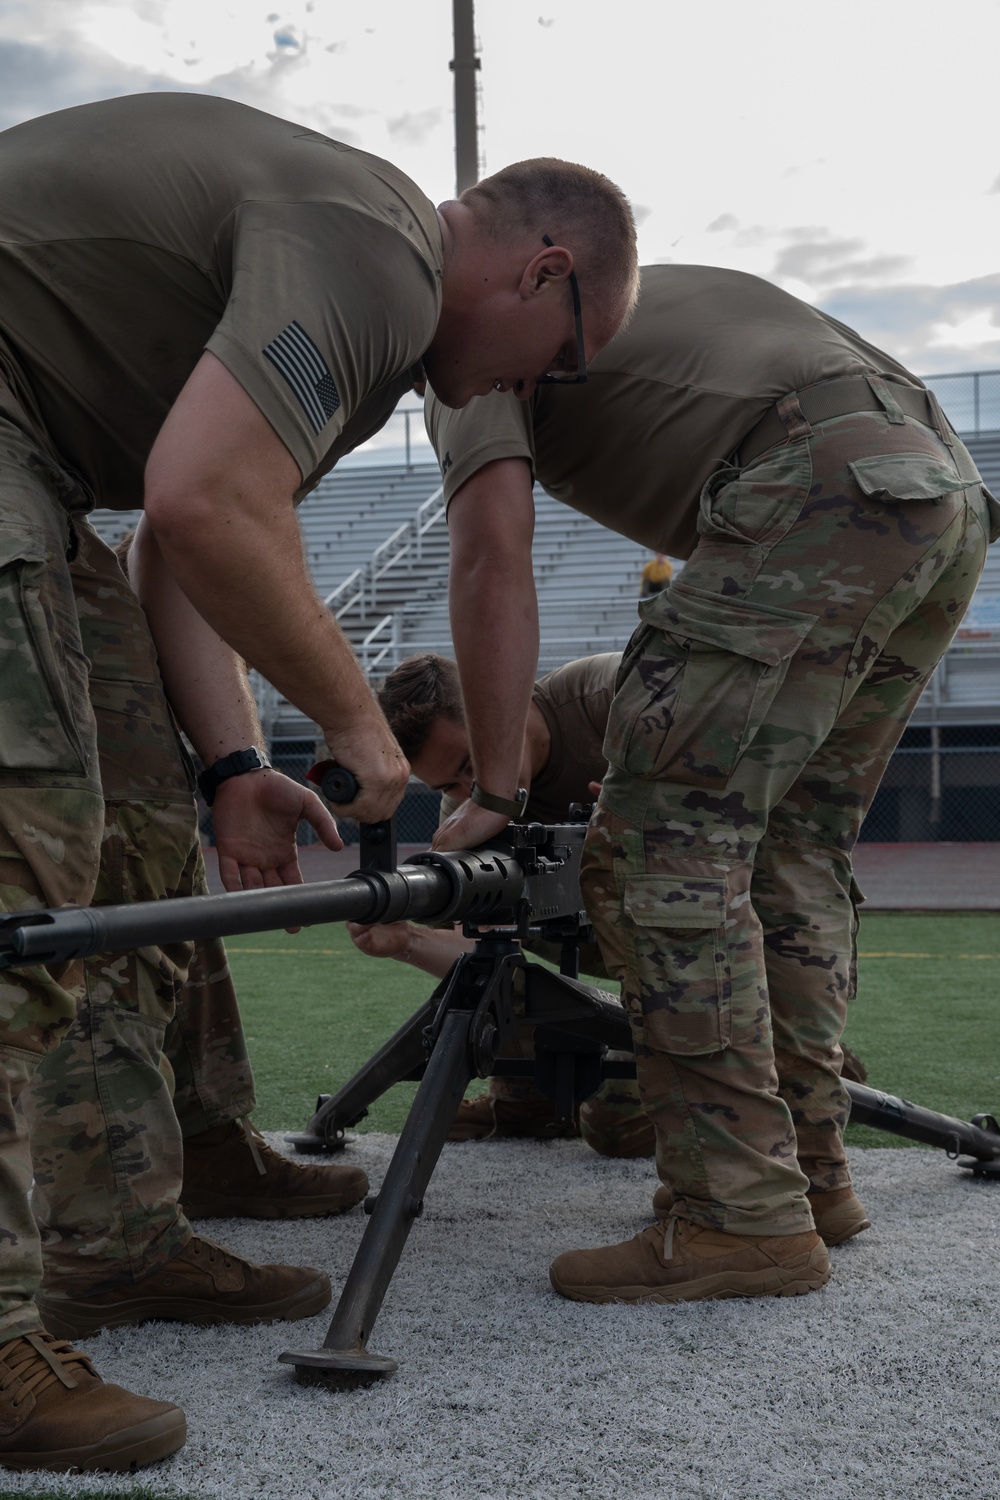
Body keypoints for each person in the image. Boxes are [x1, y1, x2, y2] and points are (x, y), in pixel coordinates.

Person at [0, 91, 638, 1470]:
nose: (538, 395)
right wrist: (358, 728)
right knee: (20, 866)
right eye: (563, 361)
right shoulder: (378, 254)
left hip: (41, 465)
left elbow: (175, 550)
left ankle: (141, 1208)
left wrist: (235, 767)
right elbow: (206, 500)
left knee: (127, 839)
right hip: (17, 443)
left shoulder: (373, 294)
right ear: (544, 275)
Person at [425, 263, 997, 1307]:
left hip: (823, 479)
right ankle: (808, 1177)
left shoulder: (466, 345)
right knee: (789, 846)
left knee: (662, 851)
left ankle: (739, 1217)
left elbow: (491, 556)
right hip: (940, 496)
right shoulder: (641, 300)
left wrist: (496, 791)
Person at [352, 650, 653, 1156]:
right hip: (611, 944)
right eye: (449, 784)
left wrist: (652, 814)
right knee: (618, 1128)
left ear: (500, 710)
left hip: (721, 930)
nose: (472, 792)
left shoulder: (610, 695)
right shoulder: (465, 816)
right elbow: (487, 958)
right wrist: (408, 939)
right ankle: (525, 1103)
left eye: (472, 764)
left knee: (618, 1124)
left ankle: (786, 1043)